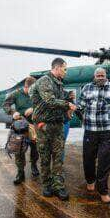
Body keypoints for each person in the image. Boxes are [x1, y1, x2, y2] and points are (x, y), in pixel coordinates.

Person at [31, 57, 77, 201]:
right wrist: (68, 105)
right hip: (43, 126)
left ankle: (58, 186)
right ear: (57, 68)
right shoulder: (45, 80)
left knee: (58, 157)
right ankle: (46, 185)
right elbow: (50, 101)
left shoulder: (58, 84)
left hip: (57, 125)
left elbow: (60, 97)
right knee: (45, 157)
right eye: (64, 68)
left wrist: (68, 96)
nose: (65, 72)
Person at [78, 67, 110, 203]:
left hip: (108, 130)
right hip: (90, 129)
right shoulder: (87, 88)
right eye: (98, 75)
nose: (101, 77)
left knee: (105, 160)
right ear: (94, 76)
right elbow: (81, 105)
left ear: (106, 76)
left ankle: (103, 190)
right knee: (88, 158)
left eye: (102, 75)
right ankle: (90, 180)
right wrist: (72, 108)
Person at [3, 77, 39, 185]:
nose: (33, 92)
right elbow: (5, 104)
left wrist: (33, 109)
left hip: (33, 125)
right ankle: (20, 172)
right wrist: (13, 112)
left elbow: (43, 104)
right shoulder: (16, 94)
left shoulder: (36, 94)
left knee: (35, 147)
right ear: (26, 87)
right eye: (31, 90)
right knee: (19, 149)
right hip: (20, 125)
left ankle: (34, 165)